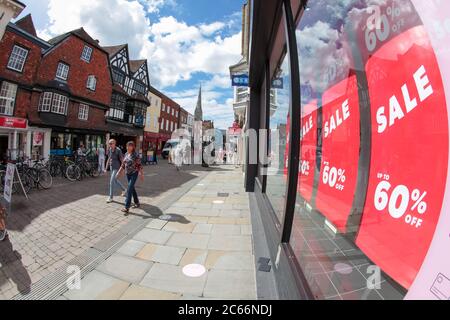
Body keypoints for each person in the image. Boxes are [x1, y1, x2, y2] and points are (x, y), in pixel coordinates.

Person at [116, 141, 144, 213]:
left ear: (133, 147)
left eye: (130, 146)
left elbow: (139, 165)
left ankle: (126, 207)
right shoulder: (126, 154)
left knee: (129, 189)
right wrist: (119, 172)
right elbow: (123, 164)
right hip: (128, 174)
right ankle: (137, 202)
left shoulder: (136, 155)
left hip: (134, 173)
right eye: (127, 146)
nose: (128, 147)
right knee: (132, 188)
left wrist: (141, 174)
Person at [106, 139, 127, 203]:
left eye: (111, 143)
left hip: (117, 168)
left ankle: (111, 197)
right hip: (112, 167)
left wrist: (123, 169)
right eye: (109, 143)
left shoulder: (118, 150)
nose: (110, 145)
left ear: (115, 144)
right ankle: (124, 189)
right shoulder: (109, 150)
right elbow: (109, 158)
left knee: (111, 181)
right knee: (115, 180)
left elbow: (122, 160)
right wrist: (106, 168)